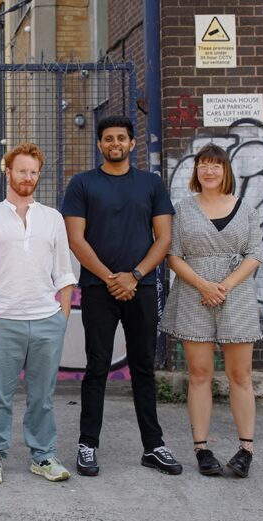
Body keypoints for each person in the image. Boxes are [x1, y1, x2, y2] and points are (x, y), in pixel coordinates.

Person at [62, 115, 183, 477]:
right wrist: (110, 277)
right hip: (99, 289)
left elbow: (163, 238)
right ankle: (87, 445)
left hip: (141, 288)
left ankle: (153, 446)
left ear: (132, 144)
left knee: (143, 367)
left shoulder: (150, 184)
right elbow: (76, 239)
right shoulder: (82, 184)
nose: (115, 143)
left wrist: (134, 276)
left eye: (122, 138)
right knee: (96, 367)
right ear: (99, 145)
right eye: (108, 138)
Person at [0, 143, 78, 484]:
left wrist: (62, 317)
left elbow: (64, 273)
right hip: (3, 320)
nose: (27, 177)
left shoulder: (52, 218)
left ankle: (43, 456)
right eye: (22, 171)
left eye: (33, 172)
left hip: (47, 321)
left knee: (42, 396)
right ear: (8, 172)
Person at [159, 144, 262, 477]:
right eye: (202, 164)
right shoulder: (183, 209)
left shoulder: (245, 208)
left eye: (215, 165)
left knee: (240, 376)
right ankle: (202, 449)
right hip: (194, 295)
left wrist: (225, 286)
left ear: (225, 171)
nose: (209, 170)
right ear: (196, 171)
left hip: (237, 296)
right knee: (200, 374)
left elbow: (255, 254)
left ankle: (246, 450)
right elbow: (172, 255)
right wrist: (204, 285)